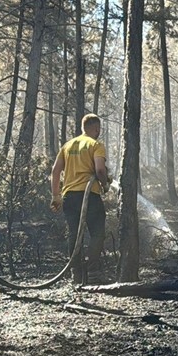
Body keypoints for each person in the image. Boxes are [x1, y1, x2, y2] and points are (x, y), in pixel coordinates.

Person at [51, 113, 110, 280]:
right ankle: (93, 273)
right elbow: (99, 170)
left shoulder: (68, 145)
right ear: (97, 129)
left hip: (69, 196)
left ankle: (76, 274)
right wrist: (105, 184)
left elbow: (55, 171)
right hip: (89, 195)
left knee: (74, 234)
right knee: (97, 232)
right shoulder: (96, 144)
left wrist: (56, 196)